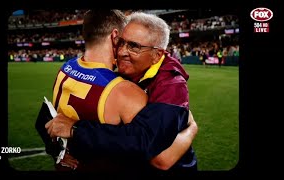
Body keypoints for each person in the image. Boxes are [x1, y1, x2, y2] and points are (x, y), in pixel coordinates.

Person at [45, 10, 197, 175]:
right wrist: (62, 151)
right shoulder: (126, 70)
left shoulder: (172, 85)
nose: (122, 51)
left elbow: (161, 158)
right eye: (121, 42)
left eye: (133, 46)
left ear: (156, 54)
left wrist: (192, 129)